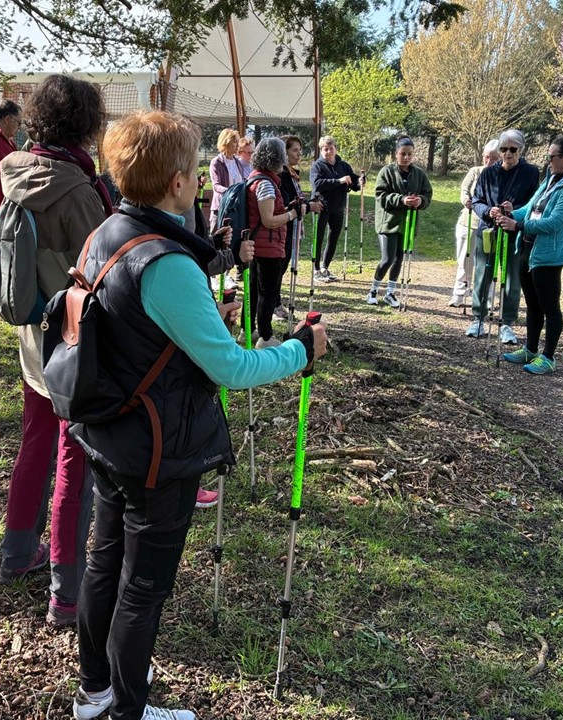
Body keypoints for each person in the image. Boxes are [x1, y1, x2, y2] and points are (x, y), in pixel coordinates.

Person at [69, 108, 328, 720]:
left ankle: (96, 688)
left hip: (107, 431)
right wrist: (300, 349)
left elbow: (143, 333)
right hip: (158, 448)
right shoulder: (166, 263)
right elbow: (233, 370)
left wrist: (208, 323)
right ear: (180, 182)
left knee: (105, 562)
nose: (198, 181)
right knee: (143, 583)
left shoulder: (107, 232)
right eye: (191, 170)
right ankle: (127, 707)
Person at [0, 75, 114, 627]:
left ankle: (16, 553)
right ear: (86, 124)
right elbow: (107, 271)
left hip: (29, 341)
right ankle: (67, 593)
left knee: (34, 442)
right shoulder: (76, 188)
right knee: (74, 464)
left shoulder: (15, 172)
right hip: (71, 344)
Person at [496, 134, 563, 375]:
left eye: (552, 157)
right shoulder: (552, 178)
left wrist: (517, 226)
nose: (548, 162)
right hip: (529, 247)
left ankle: (548, 356)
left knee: (550, 305)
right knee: (531, 303)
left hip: (550, 252)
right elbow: (531, 209)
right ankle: (530, 349)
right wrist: (512, 214)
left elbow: (555, 222)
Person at [469, 129, 540, 342]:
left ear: (521, 150)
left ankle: (507, 323)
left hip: (513, 231)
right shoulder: (488, 172)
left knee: (512, 279)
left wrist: (514, 208)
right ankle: (478, 318)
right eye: (503, 149)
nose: (507, 154)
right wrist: (488, 211)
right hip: (489, 230)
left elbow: (533, 203)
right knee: (482, 274)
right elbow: (476, 200)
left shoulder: (531, 172)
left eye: (512, 149)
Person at [243, 136, 300, 346]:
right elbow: (268, 220)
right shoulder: (266, 184)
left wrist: (285, 209)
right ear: (277, 158)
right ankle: (265, 337)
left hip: (255, 244)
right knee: (267, 293)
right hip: (267, 246)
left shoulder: (255, 178)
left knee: (253, 290)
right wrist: (292, 214)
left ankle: (247, 330)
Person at [369, 136, 432, 308]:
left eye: (409, 154)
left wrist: (420, 201)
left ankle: (390, 292)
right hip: (388, 223)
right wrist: (401, 200)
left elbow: (427, 194)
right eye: (403, 154)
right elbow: (380, 196)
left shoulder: (419, 174)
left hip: (407, 224)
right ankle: (373, 290)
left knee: (398, 259)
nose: (406, 157)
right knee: (387, 259)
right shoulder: (387, 172)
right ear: (396, 154)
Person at [271, 134, 322, 331]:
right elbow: (285, 202)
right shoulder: (282, 175)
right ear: (284, 152)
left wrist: (308, 203)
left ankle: (276, 302)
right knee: (278, 268)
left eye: (300, 150)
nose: (299, 153)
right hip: (283, 228)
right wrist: (308, 206)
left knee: (282, 267)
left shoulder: (291, 173)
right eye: (294, 150)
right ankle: (274, 306)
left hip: (292, 227)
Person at [451, 139, 499, 307]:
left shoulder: (501, 175)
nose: (489, 161)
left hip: (489, 225)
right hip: (468, 221)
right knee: (465, 260)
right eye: (487, 157)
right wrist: (466, 200)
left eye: (493, 158)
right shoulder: (475, 171)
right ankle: (459, 293)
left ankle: (488, 297)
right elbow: (464, 189)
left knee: (487, 262)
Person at [310, 135, 360, 281]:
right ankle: (316, 269)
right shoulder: (317, 166)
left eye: (331, 149)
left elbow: (353, 180)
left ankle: (325, 267)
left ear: (335, 149)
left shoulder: (343, 165)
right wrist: (338, 181)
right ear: (321, 150)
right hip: (321, 206)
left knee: (333, 238)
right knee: (318, 238)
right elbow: (317, 184)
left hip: (338, 207)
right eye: (325, 149)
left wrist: (359, 182)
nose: (328, 152)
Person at [208, 128, 244, 230]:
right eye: (235, 142)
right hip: (220, 207)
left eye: (238, 142)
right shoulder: (216, 162)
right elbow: (216, 186)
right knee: (216, 239)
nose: (237, 145)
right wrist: (231, 192)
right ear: (226, 142)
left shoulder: (238, 163)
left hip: (235, 208)